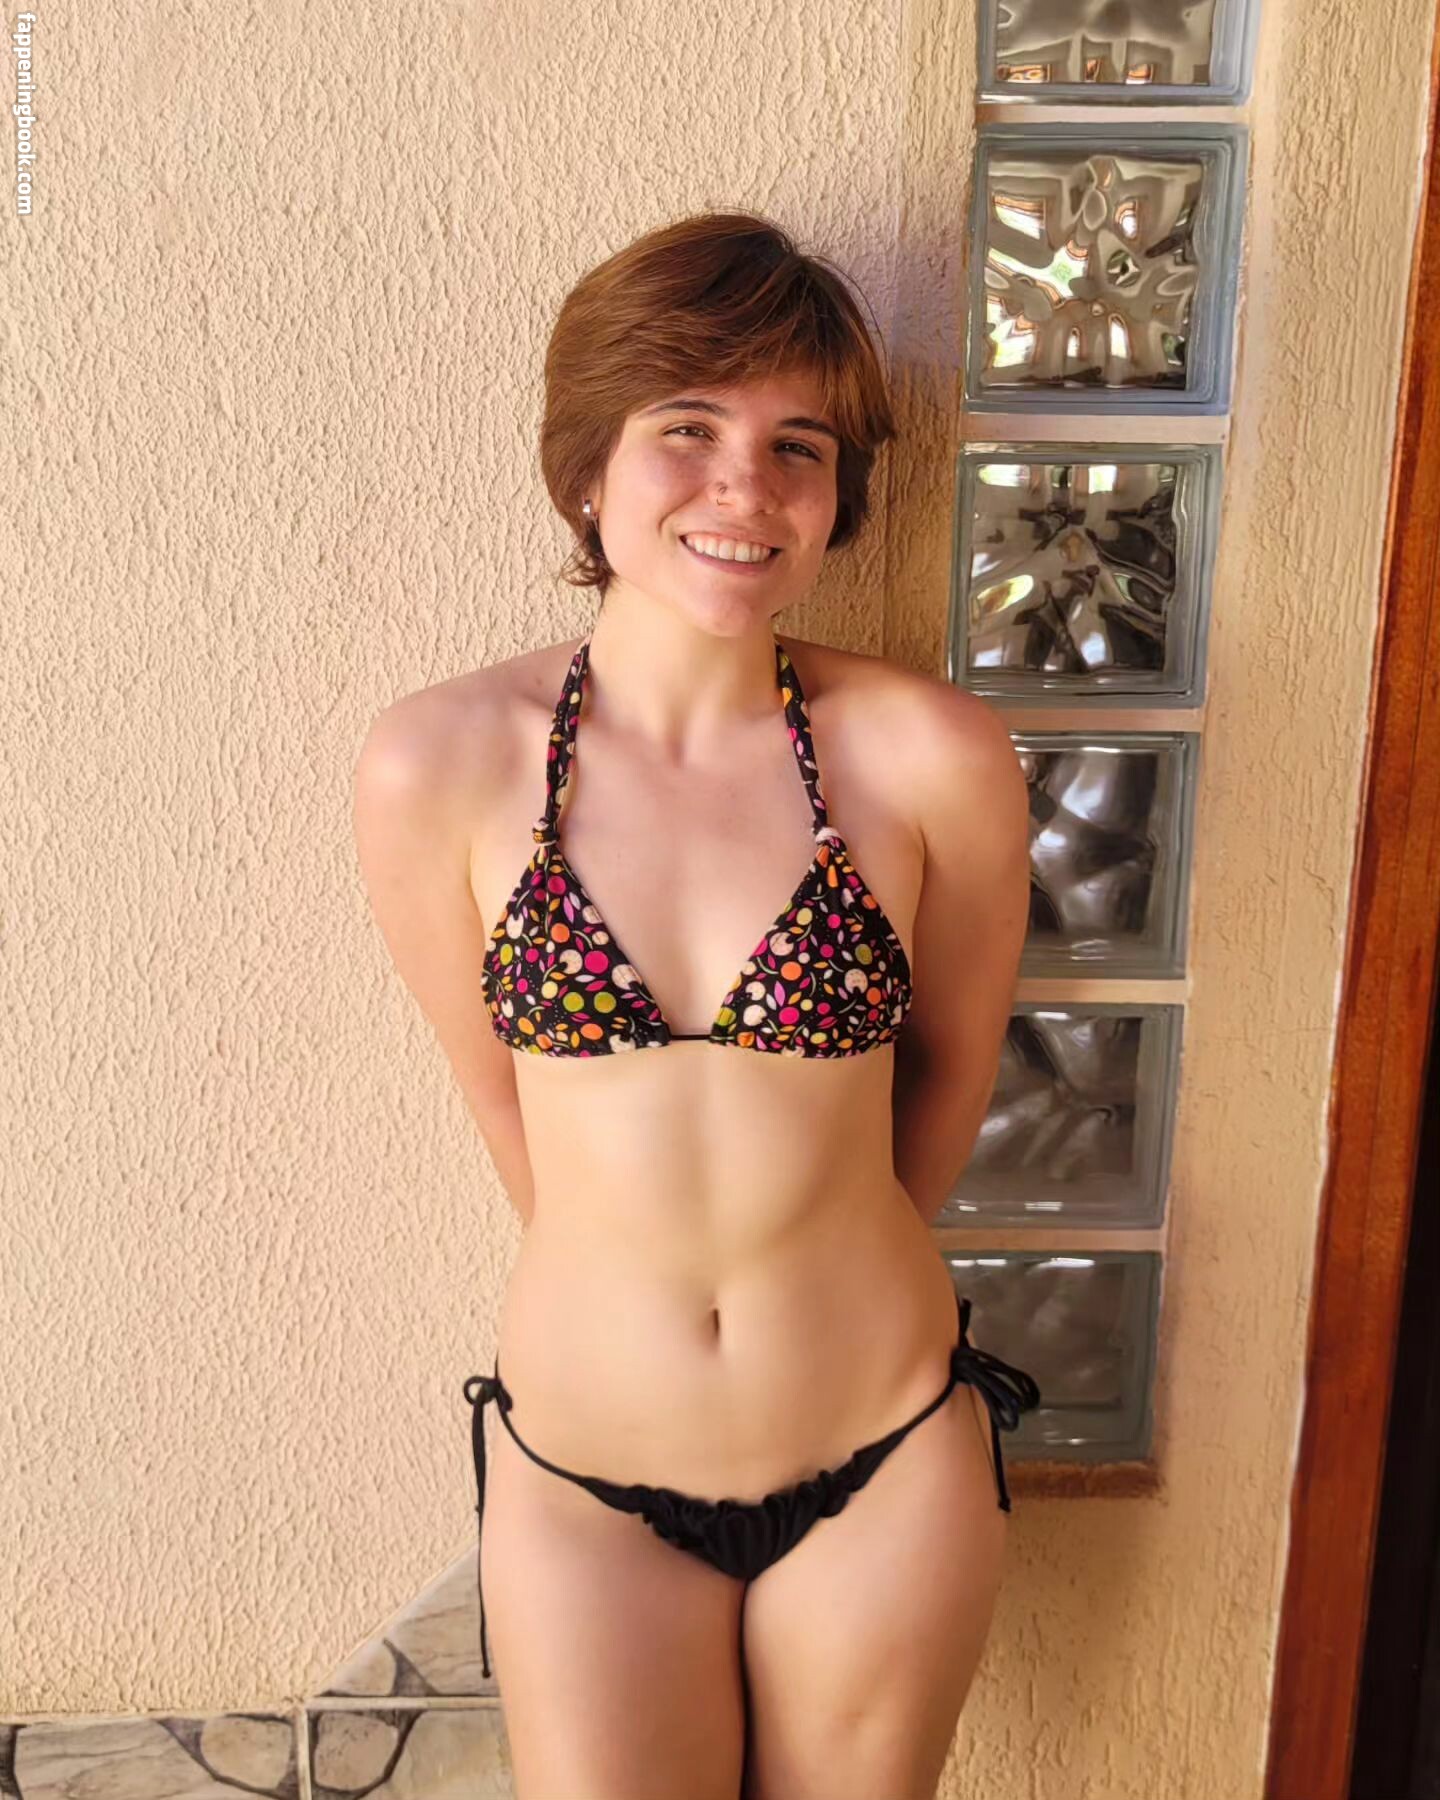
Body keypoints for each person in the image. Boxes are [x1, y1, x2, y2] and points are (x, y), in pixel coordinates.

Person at [353, 210, 1040, 1800]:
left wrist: (811, 1273)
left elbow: (951, 1070)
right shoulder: (438, 764)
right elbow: (498, 1096)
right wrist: (645, 1293)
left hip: (881, 1450)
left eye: (800, 447)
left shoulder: (929, 756)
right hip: (585, 1476)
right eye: (688, 429)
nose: (747, 486)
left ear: (840, 498)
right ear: (587, 467)